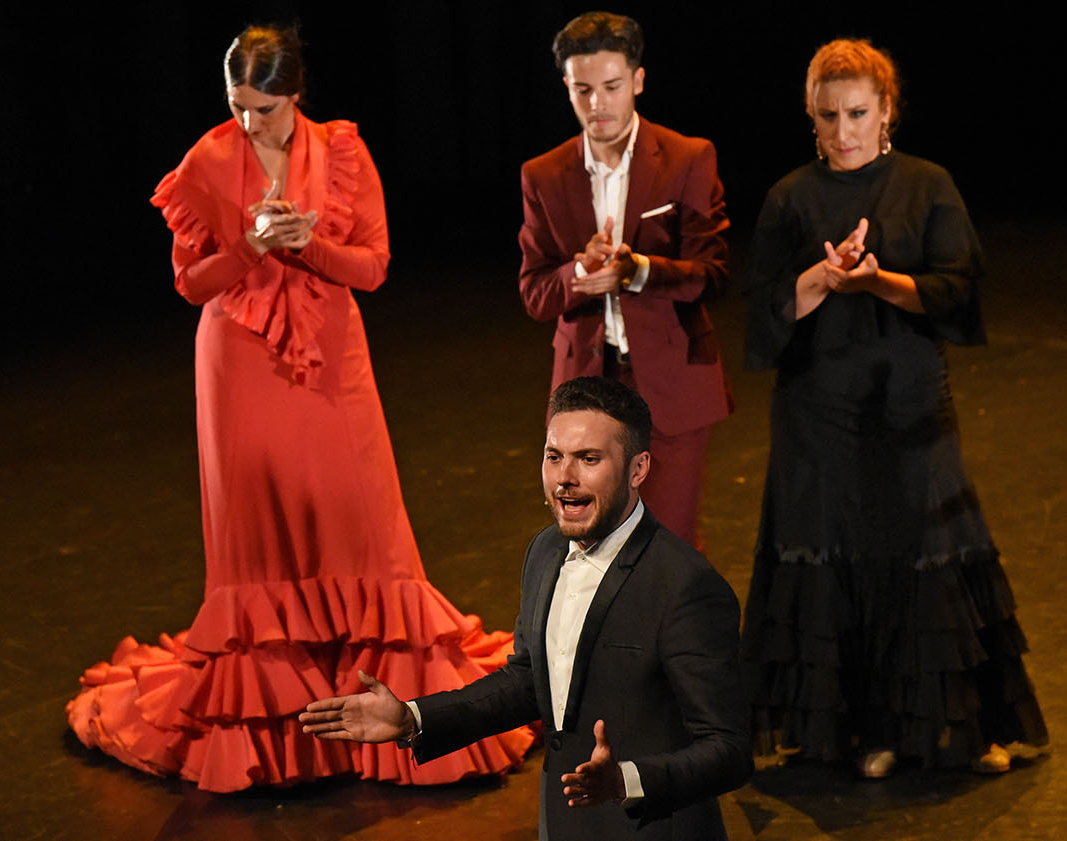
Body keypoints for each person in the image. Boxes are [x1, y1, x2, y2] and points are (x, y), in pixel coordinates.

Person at [66, 24, 533, 793]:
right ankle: (283, 729)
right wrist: (250, 245)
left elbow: (374, 266)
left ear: (295, 96)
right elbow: (191, 284)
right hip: (238, 363)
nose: (250, 124)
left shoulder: (343, 152)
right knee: (260, 525)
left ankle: (382, 706)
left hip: (330, 355)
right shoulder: (208, 161)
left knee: (357, 518)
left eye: (264, 109)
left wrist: (306, 244)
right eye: (237, 106)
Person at [741, 38, 1048, 779]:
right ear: (810, 118)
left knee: (927, 553)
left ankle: (962, 731)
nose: (843, 131)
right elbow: (767, 315)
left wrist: (880, 283)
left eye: (857, 113)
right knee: (840, 557)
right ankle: (864, 732)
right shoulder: (789, 197)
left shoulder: (927, 184)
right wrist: (823, 274)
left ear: (887, 113)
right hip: (819, 409)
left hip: (908, 401)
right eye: (827, 115)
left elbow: (955, 293)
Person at [301, 377, 752, 841]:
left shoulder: (685, 586)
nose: (564, 478)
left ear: (638, 470)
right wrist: (415, 719)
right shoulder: (544, 551)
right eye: (554, 456)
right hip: (562, 825)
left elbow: (729, 749)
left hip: (651, 830)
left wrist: (627, 780)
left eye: (589, 459)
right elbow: (528, 681)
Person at [518, 12, 732, 550]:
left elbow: (713, 274)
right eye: (582, 89)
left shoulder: (687, 157)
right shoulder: (543, 174)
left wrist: (638, 270)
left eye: (611, 87)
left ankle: (676, 638)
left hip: (671, 378)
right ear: (566, 86)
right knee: (592, 544)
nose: (597, 105)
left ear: (637, 80)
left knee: (669, 543)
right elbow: (535, 292)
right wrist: (578, 274)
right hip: (586, 382)